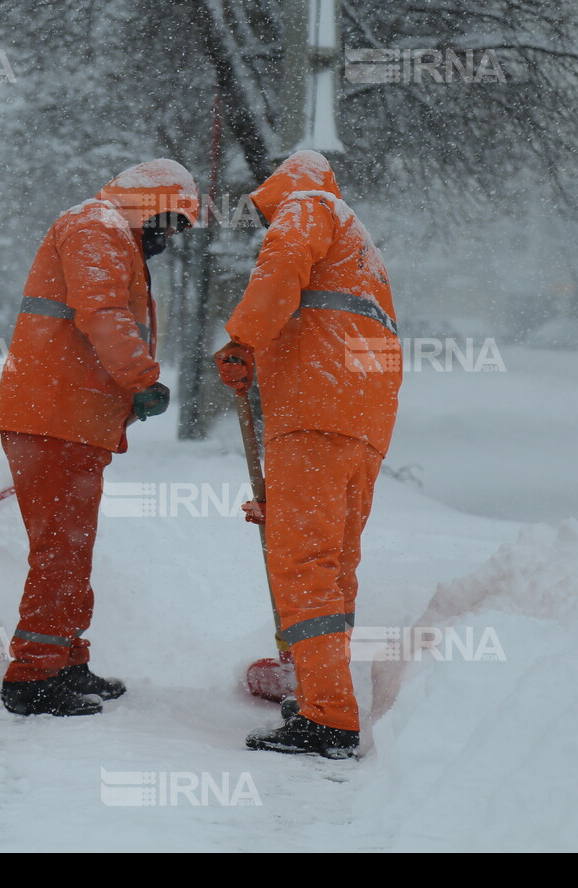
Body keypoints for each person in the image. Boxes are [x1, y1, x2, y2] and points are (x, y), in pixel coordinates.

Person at [0, 159, 199, 716]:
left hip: (72, 418)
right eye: (170, 223)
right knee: (60, 550)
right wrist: (142, 379)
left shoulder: (110, 233)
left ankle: (65, 660)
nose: (170, 240)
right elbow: (102, 312)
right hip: (51, 417)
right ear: (148, 206)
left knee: (71, 549)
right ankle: (32, 677)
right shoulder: (96, 225)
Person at [214, 150, 401, 757]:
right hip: (361, 422)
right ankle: (317, 682)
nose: (271, 226)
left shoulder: (308, 206)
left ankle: (327, 715)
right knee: (333, 566)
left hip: (315, 415)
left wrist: (243, 340)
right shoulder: (360, 246)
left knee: (302, 563)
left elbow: (282, 270)